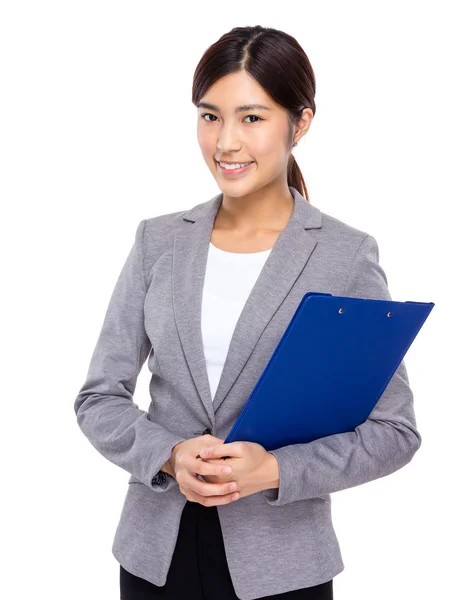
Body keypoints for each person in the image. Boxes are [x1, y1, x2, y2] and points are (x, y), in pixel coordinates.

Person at [74, 25, 422, 600]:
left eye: (252, 118)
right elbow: (98, 397)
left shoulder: (344, 255)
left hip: (283, 568)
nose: (226, 142)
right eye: (210, 116)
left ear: (300, 123)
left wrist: (277, 471)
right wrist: (167, 454)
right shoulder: (158, 242)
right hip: (153, 559)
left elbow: (394, 431)